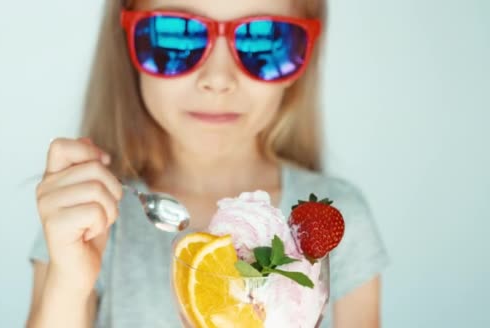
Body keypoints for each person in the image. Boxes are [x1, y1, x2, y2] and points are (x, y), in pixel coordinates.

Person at [26, 0, 390, 327]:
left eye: (263, 39)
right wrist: (70, 283)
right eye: (175, 36)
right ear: (125, 42)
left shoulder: (336, 222)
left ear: (305, 53)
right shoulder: (90, 216)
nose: (218, 80)